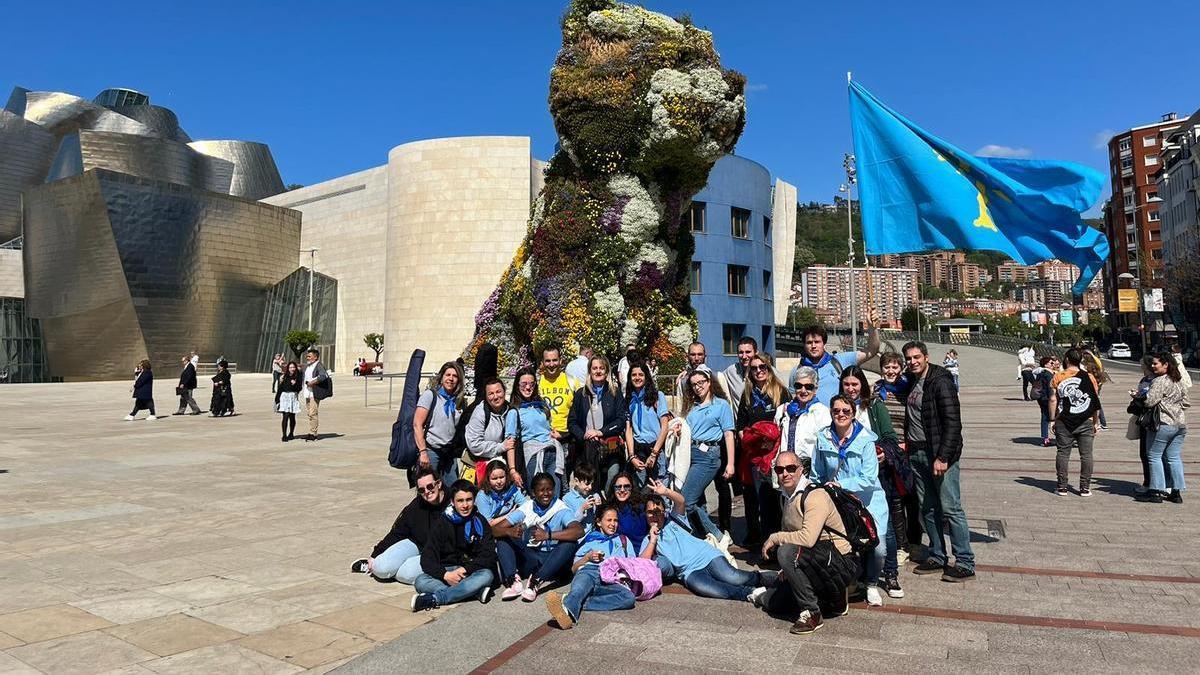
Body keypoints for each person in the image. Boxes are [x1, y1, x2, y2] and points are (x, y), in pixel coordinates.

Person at [761, 452, 860, 635]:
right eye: (780, 469)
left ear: (801, 470)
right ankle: (829, 599)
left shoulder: (815, 495)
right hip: (814, 559)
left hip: (839, 562)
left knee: (785, 552)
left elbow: (807, 538)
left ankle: (813, 613)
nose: (785, 474)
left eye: (791, 468)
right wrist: (787, 568)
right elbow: (791, 533)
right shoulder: (786, 496)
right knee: (771, 603)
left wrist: (775, 538)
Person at [902, 341, 974, 582]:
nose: (912, 362)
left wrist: (942, 457)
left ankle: (964, 561)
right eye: (909, 358)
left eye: (916, 357)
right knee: (928, 508)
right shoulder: (911, 379)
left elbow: (953, 423)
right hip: (917, 453)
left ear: (926, 357)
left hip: (939, 455)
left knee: (951, 508)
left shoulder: (941, 381)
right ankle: (937, 555)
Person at [810, 395, 890, 606]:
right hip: (838, 503)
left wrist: (841, 484)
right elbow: (817, 474)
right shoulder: (822, 438)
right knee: (843, 545)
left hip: (867, 502)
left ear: (853, 413)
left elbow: (869, 478)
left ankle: (872, 583)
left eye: (846, 411)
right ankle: (849, 582)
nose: (841, 414)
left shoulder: (866, 439)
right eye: (836, 411)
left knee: (878, 547)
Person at [839, 366, 907, 600]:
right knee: (854, 528)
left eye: (855, 384)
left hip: (876, 477)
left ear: (862, 386)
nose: (850, 389)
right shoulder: (838, 408)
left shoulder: (874, 407)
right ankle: (862, 577)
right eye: (846, 385)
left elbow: (890, 438)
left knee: (884, 528)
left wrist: (884, 454)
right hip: (849, 479)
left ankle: (890, 573)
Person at [642, 495, 771, 604]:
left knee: (734, 578)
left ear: (664, 512)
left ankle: (767, 578)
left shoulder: (674, 519)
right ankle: (751, 593)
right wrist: (653, 539)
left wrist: (665, 491)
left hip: (707, 556)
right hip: (689, 572)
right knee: (714, 590)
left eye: (658, 512)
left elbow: (681, 501)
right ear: (645, 514)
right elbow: (643, 563)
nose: (654, 516)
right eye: (650, 512)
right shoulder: (648, 539)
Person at [544, 504, 644, 629]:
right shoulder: (589, 540)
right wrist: (587, 557)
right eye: (609, 520)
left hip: (612, 579)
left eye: (615, 520)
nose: (613, 524)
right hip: (589, 572)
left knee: (628, 598)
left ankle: (571, 601)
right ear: (599, 522)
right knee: (578, 591)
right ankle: (567, 615)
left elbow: (632, 565)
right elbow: (574, 569)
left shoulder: (623, 540)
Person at [492, 472, 583, 602]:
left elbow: (579, 531)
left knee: (570, 543)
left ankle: (536, 580)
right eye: (541, 490)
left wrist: (548, 535)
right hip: (533, 557)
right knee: (502, 537)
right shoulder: (527, 507)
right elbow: (495, 529)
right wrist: (509, 532)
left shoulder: (561, 508)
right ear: (533, 493)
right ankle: (513, 581)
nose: (546, 493)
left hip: (553, 559)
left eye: (549, 489)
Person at [669, 366, 735, 541]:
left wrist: (731, 463)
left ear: (709, 382)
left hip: (709, 455)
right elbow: (686, 426)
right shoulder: (692, 406)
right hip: (691, 452)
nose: (698, 387)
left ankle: (718, 535)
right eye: (694, 385)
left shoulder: (721, 405)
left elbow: (729, 434)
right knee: (697, 501)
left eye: (701, 383)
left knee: (686, 500)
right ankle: (703, 538)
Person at [410, 479, 497, 611]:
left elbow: (489, 556)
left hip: (470, 572)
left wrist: (465, 570)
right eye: (460, 501)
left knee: (487, 575)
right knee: (420, 581)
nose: (465, 505)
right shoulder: (442, 523)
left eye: (469, 500)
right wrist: (445, 575)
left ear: (474, 501)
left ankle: (436, 599)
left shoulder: (480, 521)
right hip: (447, 571)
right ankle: (472, 592)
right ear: (452, 502)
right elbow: (427, 558)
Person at [352, 468, 448, 584]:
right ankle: (382, 566)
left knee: (406, 574)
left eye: (430, 486)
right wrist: (375, 554)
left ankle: (402, 570)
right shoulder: (417, 505)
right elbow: (398, 531)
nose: (427, 492)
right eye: (422, 490)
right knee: (380, 568)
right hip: (417, 543)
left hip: (440, 554)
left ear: (439, 483)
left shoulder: (453, 502)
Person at [736, 351, 788, 546]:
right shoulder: (748, 394)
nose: (758, 371)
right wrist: (751, 442)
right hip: (755, 456)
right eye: (754, 368)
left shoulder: (780, 392)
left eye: (762, 367)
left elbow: (787, 422)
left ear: (769, 368)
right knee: (759, 499)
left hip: (775, 454)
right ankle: (765, 543)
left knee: (776, 501)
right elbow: (740, 424)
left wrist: (772, 443)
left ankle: (779, 542)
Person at [1047, 348, 1101, 497]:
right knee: (1086, 455)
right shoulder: (1089, 377)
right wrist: (1095, 422)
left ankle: (1062, 487)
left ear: (1066, 360)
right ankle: (1084, 487)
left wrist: (1052, 420)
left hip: (1064, 420)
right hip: (1086, 419)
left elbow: (1052, 399)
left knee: (1063, 453)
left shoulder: (1058, 377)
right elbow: (1094, 400)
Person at [568, 355, 627, 490]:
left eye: (602, 368)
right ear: (590, 371)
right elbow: (572, 422)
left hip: (610, 448)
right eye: (595, 368)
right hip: (588, 448)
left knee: (612, 479)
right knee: (591, 484)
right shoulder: (581, 394)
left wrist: (601, 432)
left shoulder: (614, 392)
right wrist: (584, 435)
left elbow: (621, 419)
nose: (598, 371)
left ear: (607, 372)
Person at [1140, 352, 1190, 504]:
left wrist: (1140, 396)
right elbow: (1186, 402)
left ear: (1166, 365)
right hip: (1180, 424)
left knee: (1154, 456)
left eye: (1156, 364)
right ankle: (1176, 492)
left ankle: (1155, 491)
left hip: (1163, 423)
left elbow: (1149, 401)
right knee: (1173, 457)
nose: (1153, 366)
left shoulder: (1160, 381)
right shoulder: (1178, 380)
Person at [788, 323, 881, 406]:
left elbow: (872, 350)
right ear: (804, 345)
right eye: (809, 343)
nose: (813, 346)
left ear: (824, 344)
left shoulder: (840, 361)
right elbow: (793, 398)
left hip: (837, 420)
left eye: (817, 342)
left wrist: (873, 328)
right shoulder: (797, 371)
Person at [505, 369, 562, 494]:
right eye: (523, 384)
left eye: (531, 384)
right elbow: (510, 443)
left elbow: (547, 426)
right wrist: (513, 470)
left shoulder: (542, 405)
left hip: (552, 451)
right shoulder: (514, 411)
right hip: (533, 455)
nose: (528, 387)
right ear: (517, 386)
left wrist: (554, 433)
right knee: (539, 494)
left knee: (556, 494)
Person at [415, 361, 466, 485]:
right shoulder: (430, 396)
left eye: (455, 376)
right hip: (431, 450)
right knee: (429, 490)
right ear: (441, 377)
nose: (451, 379)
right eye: (448, 375)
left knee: (453, 489)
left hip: (449, 453)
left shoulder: (459, 402)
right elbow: (417, 424)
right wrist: (423, 452)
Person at [625, 361, 671, 487]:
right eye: (634, 375)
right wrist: (631, 456)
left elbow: (664, 426)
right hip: (638, 450)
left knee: (659, 489)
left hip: (655, 449)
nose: (637, 378)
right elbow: (628, 429)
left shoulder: (657, 396)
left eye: (641, 374)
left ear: (646, 377)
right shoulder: (629, 399)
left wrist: (654, 454)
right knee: (640, 489)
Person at [537, 346, 581, 471]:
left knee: (564, 480)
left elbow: (579, 412)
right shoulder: (537, 383)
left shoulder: (572, 382)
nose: (551, 364)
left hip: (567, 439)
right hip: (543, 439)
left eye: (554, 360)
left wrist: (567, 434)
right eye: (548, 361)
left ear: (561, 361)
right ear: (543, 362)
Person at [775, 367, 831, 462]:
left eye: (808, 387)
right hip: (785, 468)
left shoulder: (822, 413)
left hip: (810, 470)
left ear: (815, 389)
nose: (803, 390)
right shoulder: (782, 410)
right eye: (799, 386)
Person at [465, 378, 511, 482]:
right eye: (491, 393)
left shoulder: (510, 410)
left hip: (502, 467)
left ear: (504, 391)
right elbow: (474, 444)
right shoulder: (480, 413)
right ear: (486, 396)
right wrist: (500, 447)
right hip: (480, 465)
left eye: (498, 392)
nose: (495, 396)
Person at [606, 470, 652, 548]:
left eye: (626, 486)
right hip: (616, 553)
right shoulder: (609, 509)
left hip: (639, 554)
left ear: (632, 488)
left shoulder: (641, 509)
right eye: (618, 487)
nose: (622, 490)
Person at [562, 463, 602, 536]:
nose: (590, 487)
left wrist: (598, 502)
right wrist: (582, 509)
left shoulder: (592, 494)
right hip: (579, 538)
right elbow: (571, 524)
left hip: (593, 534)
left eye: (592, 484)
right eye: (587, 484)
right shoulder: (567, 499)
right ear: (576, 481)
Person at [301, 348, 330, 441]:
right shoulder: (307, 366)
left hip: (314, 392)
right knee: (309, 413)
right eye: (307, 356)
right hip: (307, 392)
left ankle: (314, 434)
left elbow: (323, 376)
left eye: (309, 356)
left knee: (313, 413)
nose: (307, 357)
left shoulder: (318, 365)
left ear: (315, 357)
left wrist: (313, 382)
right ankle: (311, 432)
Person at [1081, 347, 1110, 430]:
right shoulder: (1096, 361)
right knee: (1097, 403)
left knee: (1095, 404)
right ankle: (1102, 423)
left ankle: (1101, 423)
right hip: (1098, 382)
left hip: (1093, 384)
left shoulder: (1087, 366)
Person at [1032, 356, 1059, 446]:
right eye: (1051, 363)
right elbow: (1050, 388)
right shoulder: (1048, 374)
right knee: (1053, 417)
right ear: (1045, 364)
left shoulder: (1041, 373)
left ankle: (1045, 438)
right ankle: (1056, 437)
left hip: (1041, 398)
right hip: (1048, 398)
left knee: (1044, 418)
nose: (1053, 364)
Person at [275, 361, 303, 441]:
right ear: (288, 368)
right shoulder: (284, 376)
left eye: (293, 367)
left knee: (292, 416)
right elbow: (280, 388)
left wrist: (295, 384)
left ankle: (291, 433)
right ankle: (284, 435)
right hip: (284, 397)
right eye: (290, 367)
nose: (292, 369)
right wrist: (277, 400)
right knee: (285, 416)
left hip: (293, 396)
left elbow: (299, 388)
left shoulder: (298, 376)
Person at [674, 341, 709, 407]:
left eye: (700, 354)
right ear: (688, 357)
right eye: (693, 355)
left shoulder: (716, 377)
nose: (696, 358)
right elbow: (680, 406)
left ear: (705, 356)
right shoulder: (682, 381)